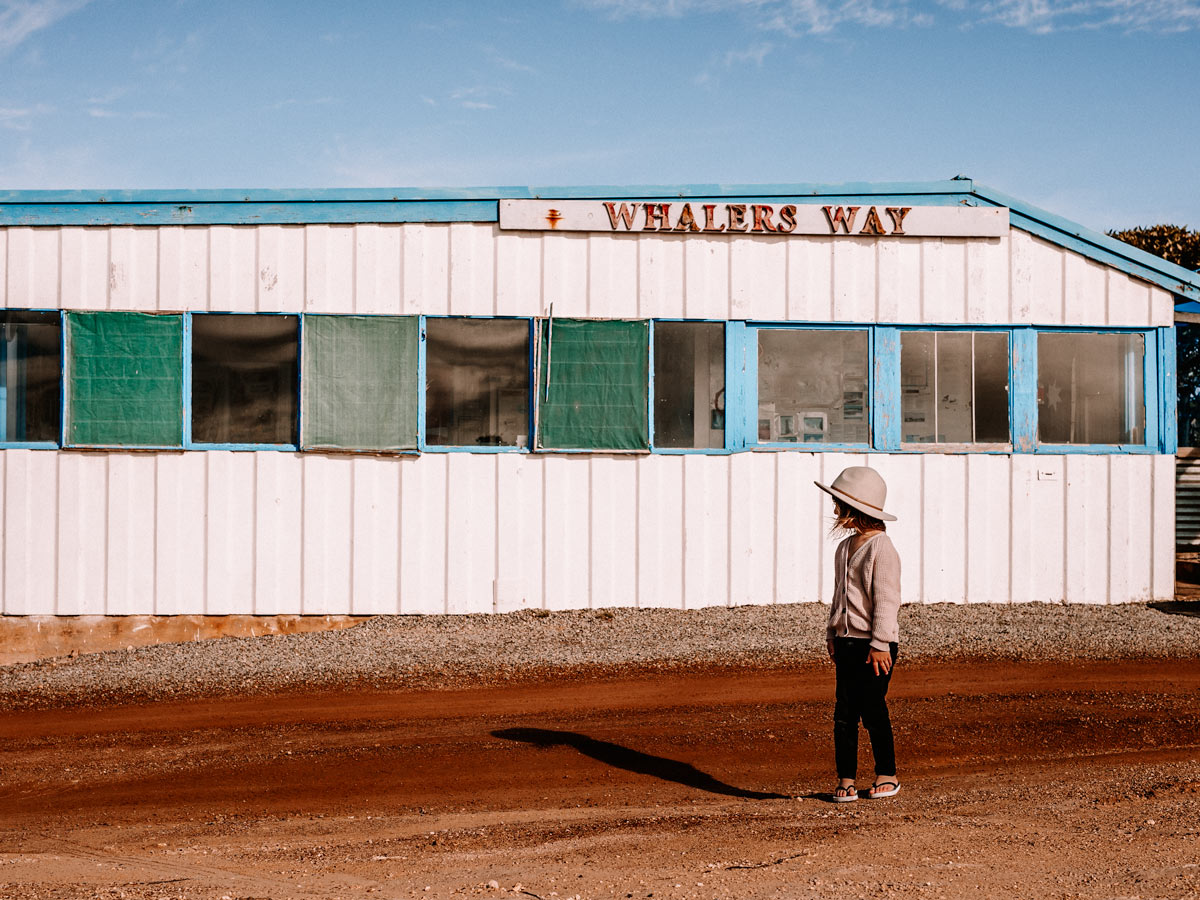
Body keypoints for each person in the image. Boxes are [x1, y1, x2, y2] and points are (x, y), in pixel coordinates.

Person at [814, 466, 901, 802]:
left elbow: (887, 600)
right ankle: (846, 778)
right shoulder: (845, 548)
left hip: (875, 646)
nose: (835, 510)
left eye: (840, 504)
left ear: (857, 509)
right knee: (844, 713)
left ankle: (887, 774)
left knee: (873, 708)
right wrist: (832, 633)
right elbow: (840, 596)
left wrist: (880, 644)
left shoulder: (882, 548)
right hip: (848, 643)